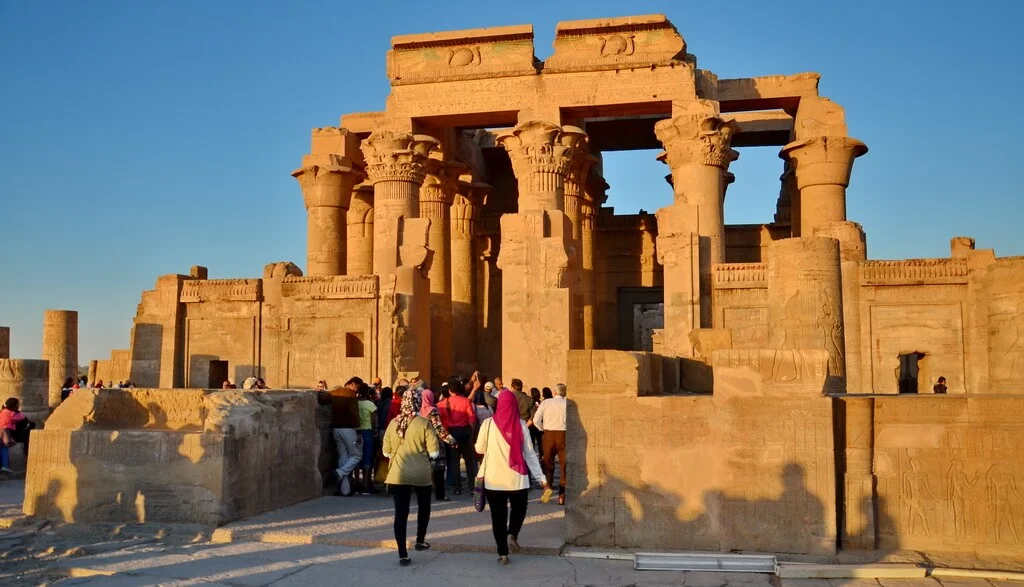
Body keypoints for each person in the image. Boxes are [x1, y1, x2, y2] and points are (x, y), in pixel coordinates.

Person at [475, 390, 548, 564]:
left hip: (494, 480)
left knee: (498, 517)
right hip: (517, 479)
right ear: (514, 405)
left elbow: (479, 449)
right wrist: (542, 479)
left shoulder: (488, 424)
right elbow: (530, 454)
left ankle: (502, 553)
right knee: (519, 509)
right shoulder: (521, 425)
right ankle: (512, 533)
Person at [382, 387, 440, 566]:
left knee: (401, 513)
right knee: (424, 507)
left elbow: (386, 452)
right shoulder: (424, 423)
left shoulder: (393, 423)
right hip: (421, 473)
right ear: (417, 402)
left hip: (398, 474)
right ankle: (420, 540)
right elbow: (434, 452)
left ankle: (402, 553)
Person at [317, 380, 362, 496]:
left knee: (343, 457)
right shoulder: (350, 394)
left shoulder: (334, 392)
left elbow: (322, 400)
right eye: (358, 387)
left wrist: (321, 393)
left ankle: (344, 490)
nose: (357, 391)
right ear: (353, 384)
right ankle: (340, 472)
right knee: (357, 455)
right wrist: (357, 429)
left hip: (336, 428)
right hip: (348, 428)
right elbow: (354, 413)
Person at [438, 376, 478, 495]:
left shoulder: (441, 404)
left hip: (451, 433)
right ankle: (472, 487)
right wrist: (471, 433)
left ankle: (457, 488)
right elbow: (472, 419)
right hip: (465, 432)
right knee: (469, 461)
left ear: (449, 390)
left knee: (454, 461)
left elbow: (440, 422)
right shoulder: (466, 401)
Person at [534, 383, 568, 505]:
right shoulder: (568, 404)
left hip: (548, 434)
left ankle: (547, 489)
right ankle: (562, 495)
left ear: (554, 392)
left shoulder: (546, 402)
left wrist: (542, 429)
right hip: (563, 435)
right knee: (564, 465)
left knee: (548, 463)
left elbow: (536, 419)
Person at [420, 388, 456, 501]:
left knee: (425, 469)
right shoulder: (433, 411)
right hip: (434, 443)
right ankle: (440, 495)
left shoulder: (419, 412)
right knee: (438, 470)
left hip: (422, 443)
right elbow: (439, 429)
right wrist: (452, 441)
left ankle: (424, 494)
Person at [0, 398, 34, 474]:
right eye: (18, 405)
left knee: (2, 448)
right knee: (5, 447)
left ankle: (4, 466)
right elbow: (22, 417)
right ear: (14, 406)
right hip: (6, 433)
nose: (19, 406)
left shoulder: (2, 412)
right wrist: (17, 411)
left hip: (1, 432)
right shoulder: (11, 414)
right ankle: (5, 466)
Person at [356, 384, 378, 493]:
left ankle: (356, 482)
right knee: (367, 457)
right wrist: (375, 430)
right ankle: (366, 483)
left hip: (356, 431)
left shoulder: (355, 403)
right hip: (367, 431)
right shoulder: (370, 404)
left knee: (356, 457)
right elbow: (374, 419)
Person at [527, 387, 543, 454]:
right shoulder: (540, 402)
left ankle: (534, 454)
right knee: (539, 441)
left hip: (532, 424)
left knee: (532, 441)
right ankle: (541, 455)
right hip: (538, 423)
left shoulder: (534, 402)